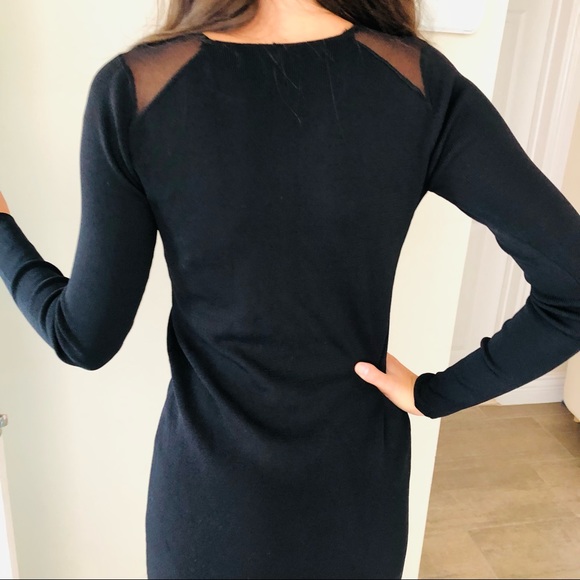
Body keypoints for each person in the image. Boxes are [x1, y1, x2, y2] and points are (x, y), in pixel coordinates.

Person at [1, 0, 579, 578]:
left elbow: (83, 338)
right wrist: (435, 394)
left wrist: (4, 236)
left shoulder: (138, 89)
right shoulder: (416, 80)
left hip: (210, 509)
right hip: (356, 502)